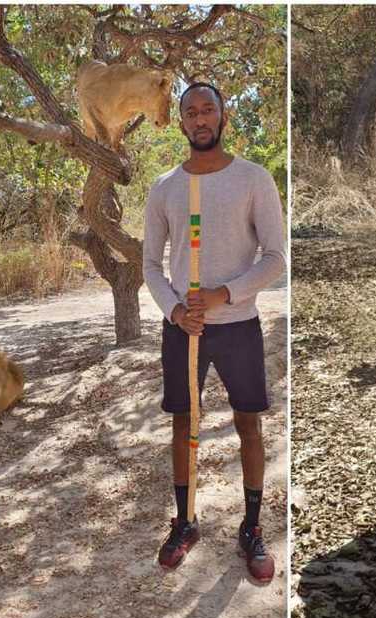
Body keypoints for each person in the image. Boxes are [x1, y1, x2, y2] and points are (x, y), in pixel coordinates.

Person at [142, 82, 286, 583]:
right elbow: (151, 266)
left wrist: (227, 294)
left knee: (249, 424)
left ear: (224, 117)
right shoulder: (164, 187)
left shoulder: (253, 179)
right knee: (184, 424)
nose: (200, 119)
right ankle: (185, 522)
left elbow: (276, 257)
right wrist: (176, 311)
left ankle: (251, 527)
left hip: (238, 325)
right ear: (180, 122)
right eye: (191, 112)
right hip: (183, 329)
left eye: (208, 110)